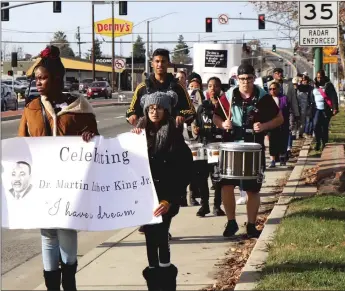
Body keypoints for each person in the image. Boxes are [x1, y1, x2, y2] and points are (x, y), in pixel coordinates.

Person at [18, 45, 99, 291]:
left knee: (66, 228)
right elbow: (21, 143)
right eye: (36, 79)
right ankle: (52, 284)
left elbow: (97, 143)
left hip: (69, 181)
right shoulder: (31, 108)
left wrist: (90, 136)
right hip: (42, 182)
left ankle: (70, 279)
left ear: (57, 79)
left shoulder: (80, 107)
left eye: (42, 78)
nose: (38, 83)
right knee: (48, 233)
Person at [131, 90, 193, 291]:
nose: (154, 111)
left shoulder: (174, 136)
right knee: (150, 236)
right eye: (150, 108)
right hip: (145, 197)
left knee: (161, 234)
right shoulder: (138, 135)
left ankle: (166, 281)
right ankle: (154, 282)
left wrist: (169, 200)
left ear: (166, 110)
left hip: (166, 197)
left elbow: (184, 171)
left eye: (158, 108)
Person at [213, 64, 283, 238]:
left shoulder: (263, 97)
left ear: (254, 78)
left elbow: (279, 119)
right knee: (226, 186)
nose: (245, 82)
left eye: (249, 79)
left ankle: (251, 225)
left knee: (253, 190)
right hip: (231, 146)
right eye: (242, 79)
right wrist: (222, 124)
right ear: (237, 79)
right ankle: (231, 222)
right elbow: (216, 116)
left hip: (253, 146)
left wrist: (264, 125)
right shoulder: (228, 96)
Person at [126, 48, 195, 128]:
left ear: (168, 63)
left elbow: (191, 110)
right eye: (157, 61)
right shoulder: (142, 87)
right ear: (152, 64)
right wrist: (132, 115)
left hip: (173, 135)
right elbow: (130, 110)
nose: (160, 64)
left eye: (163, 61)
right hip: (147, 135)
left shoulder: (178, 87)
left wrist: (181, 115)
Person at [191, 77, 226, 217]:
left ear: (220, 88)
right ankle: (204, 205)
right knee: (200, 176)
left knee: (217, 177)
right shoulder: (203, 106)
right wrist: (195, 129)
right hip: (202, 145)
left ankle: (217, 206)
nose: (212, 89)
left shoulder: (224, 105)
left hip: (217, 145)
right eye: (210, 86)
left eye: (216, 86)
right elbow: (195, 123)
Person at [268, 68, 299, 159]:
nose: (279, 75)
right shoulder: (269, 84)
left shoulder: (288, 85)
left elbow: (293, 99)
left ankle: (285, 152)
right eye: (277, 73)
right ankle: (275, 154)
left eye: (280, 73)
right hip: (273, 114)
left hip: (286, 112)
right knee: (274, 134)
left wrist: (296, 113)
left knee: (286, 132)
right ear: (274, 75)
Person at [311, 70, 339, 151]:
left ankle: (324, 143)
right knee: (316, 125)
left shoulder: (328, 85)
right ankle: (317, 141)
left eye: (321, 77)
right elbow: (311, 96)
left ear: (324, 77)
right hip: (316, 109)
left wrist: (335, 108)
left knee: (324, 126)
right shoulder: (314, 85)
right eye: (318, 77)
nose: (319, 79)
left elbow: (334, 97)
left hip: (325, 109)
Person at [267, 82, 290, 168]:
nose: (272, 91)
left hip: (283, 124)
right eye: (270, 89)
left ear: (278, 89)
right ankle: (272, 160)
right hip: (271, 125)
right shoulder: (267, 99)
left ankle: (282, 159)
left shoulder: (284, 98)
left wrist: (291, 123)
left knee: (282, 141)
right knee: (272, 142)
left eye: (274, 89)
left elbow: (288, 111)